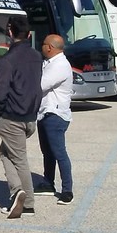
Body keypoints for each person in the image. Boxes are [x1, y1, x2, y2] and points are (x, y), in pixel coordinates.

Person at [0, 16, 43, 219]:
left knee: (19, 158)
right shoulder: (37, 56)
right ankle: (18, 191)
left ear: (10, 33)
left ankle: (25, 200)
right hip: (30, 116)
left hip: (11, 116)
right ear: (29, 34)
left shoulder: (7, 60)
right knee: (6, 153)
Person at [33, 34, 74, 205]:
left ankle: (67, 190)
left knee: (59, 153)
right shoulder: (50, 62)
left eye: (43, 44)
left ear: (49, 47)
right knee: (47, 152)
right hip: (44, 112)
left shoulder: (60, 65)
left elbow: (40, 84)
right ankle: (48, 183)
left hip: (55, 114)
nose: (41, 47)